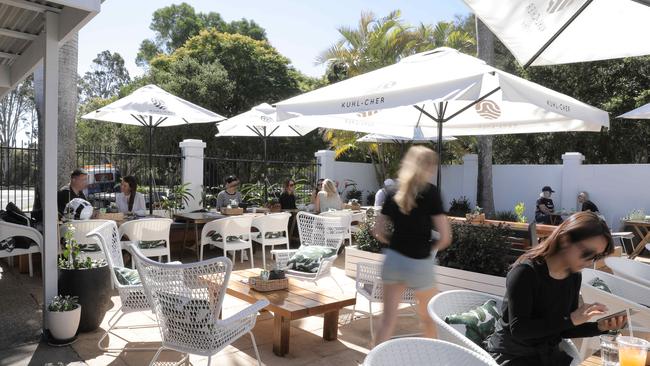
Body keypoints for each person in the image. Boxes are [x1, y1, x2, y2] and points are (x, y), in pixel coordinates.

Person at [487, 211, 625, 366]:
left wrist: (599, 326)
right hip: (513, 355)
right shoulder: (526, 272)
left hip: (547, 355)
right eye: (587, 253)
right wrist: (572, 318)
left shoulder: (573, 276)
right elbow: (520, 330)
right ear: (565, 240)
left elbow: (563, 328)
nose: (589, 262)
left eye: (595, 257)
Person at [372, 146, 452, 344]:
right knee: (429, 320)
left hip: (393, 260)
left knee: (387, 322)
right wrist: (430, 246)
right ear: (427, 167)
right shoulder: (431, 193)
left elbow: (377, 232)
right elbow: (445, 238)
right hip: (418, 263)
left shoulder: (391, 192)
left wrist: (395, 242)